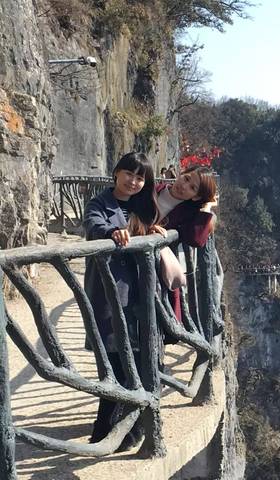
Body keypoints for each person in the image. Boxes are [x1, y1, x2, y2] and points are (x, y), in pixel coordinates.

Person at [83, 151, 163, 448]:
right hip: (109, 296)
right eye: (129, 174)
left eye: (140, 177)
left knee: (140, 365)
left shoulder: (143, 210)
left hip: (139, 301)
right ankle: (103, 432)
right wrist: (113, 232)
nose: (134, 181)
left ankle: (128, 431)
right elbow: (93, 227)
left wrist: (151, 233)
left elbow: (142, 237)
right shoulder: (99, 204)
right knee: (114, 366)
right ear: (116, 172)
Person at [154, 165, 217, 324]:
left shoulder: (188, 213)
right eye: (186, 178)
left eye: (192, 188)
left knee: (154, 323)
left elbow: (196, 239)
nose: (184, 185)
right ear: (181, 173)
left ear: (196, 197)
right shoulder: (153, 190)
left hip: (156, 272)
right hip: (127, 257)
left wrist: (207, 208)